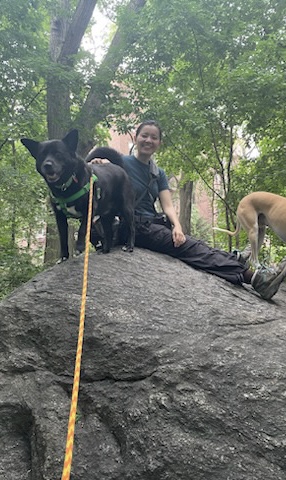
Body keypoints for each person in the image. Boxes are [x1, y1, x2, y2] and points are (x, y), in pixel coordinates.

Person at [90, 120, 286, 300]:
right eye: (144, 135)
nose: (148, 140)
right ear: (136, 137)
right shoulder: (120, 163)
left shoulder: (157, 173)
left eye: (154, 137)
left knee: (194, 243)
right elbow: (97, 178)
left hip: (153, 223)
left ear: (159, 143)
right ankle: (253, 278)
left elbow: (167, 205)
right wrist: (102, 165)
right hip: (133, 227)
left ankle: (238, 262)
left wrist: (177, 226)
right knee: (192, 249)